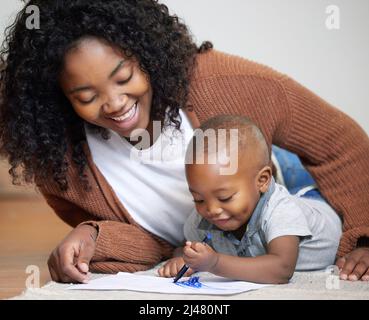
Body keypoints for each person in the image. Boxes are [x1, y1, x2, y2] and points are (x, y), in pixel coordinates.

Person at [0, 0, 368, 283]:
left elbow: (340, 144)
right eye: (85, 96)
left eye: (123, 76)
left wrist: (364, 235)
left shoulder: (224, 83)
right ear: (59, 98)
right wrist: (92, 236)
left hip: (290, 181)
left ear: (146, 55)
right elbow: (154, 243)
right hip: (220, 231)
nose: (114, 104)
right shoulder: (57, 161)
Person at [158, 115, 342, 284]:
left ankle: (282, 164)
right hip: (267, 192)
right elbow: (185, 248)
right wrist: (185, 257)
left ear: (262, 181)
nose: (211, 209)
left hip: (315, 202)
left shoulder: (280, 210)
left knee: (302, 181)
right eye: (198, 199)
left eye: (225, 197)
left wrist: (215, 263)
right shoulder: (203, 217)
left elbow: (282, 269)